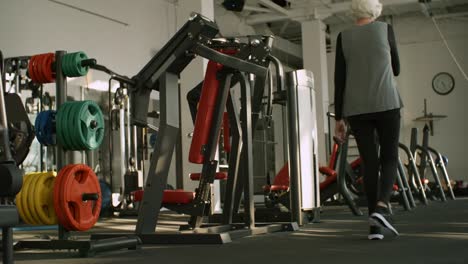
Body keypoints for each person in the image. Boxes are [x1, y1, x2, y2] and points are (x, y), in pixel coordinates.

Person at [333, 0, 402, 240]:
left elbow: (339, 80)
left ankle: (374, 229)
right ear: (376, 9)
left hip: (356, 108)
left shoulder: (343, 37)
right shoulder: (385, 30)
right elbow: (396, 68)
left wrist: (339, 118)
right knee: (390, 156)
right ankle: (382, 206)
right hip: (386, 102)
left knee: (369, 163)